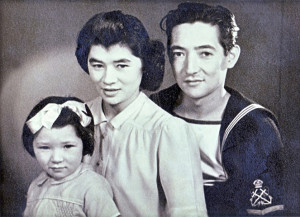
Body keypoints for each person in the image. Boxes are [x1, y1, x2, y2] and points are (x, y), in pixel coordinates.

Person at [150, 2, 285, 216]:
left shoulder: (254, 126)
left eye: (204, 53)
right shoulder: (152, 110)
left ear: (230, 56)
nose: (190, 69)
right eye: (179, 54)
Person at [75, 10, 207, 217]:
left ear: (144, 65)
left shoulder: (168, 131)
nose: (108, 79)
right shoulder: (77, 117)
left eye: (121, 65)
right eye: (97, 65)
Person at [22, 96, 120, 217]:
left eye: (68, 146)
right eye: (45, 148)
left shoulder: (92, 187)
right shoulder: (36, 186)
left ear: (84, 144)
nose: (56, 159)